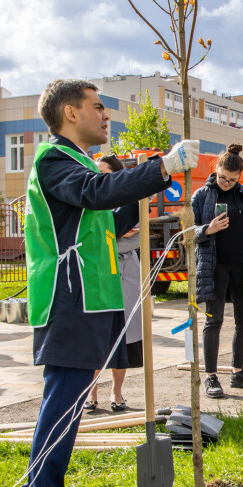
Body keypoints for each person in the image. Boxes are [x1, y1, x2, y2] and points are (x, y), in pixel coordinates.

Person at [23, 77, 197, 487]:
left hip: (92, 298)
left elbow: (108, 215)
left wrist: (147, 199)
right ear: (70, 114)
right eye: (97, 107)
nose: (106, 116)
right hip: (69, 297)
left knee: (71, 404)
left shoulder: (77, 163)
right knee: (62, 405)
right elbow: (96, 194)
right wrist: (160, 168)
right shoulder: (53, 159)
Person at [193, 143, 243, 399]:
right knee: (213, 320)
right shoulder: (201, 196)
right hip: (214, 267)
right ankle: (211, 377)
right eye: (223, 178)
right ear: (216, 170)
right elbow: (187, 234)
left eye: (232, 179)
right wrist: (207, 229)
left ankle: (238, 372)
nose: (226, 183)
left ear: (240, 177)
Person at [87, 155, 143, 413]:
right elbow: (88, 238)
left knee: (125, 335)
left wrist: (105, 242)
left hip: (126, 273)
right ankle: (91, 392)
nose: (98, 177)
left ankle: (117, 391)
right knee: (96, 335)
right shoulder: (91, 202)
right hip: (98, 275)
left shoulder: (130, 202)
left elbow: (137, 238)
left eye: (103, 172)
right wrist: (113, 237)